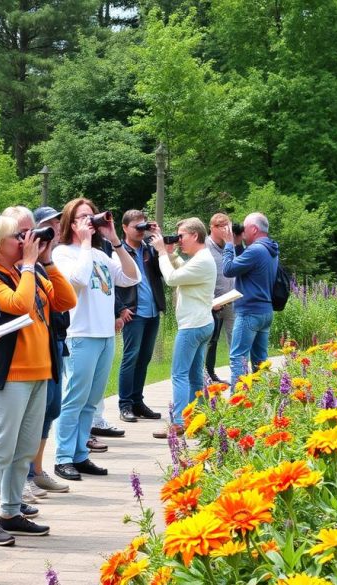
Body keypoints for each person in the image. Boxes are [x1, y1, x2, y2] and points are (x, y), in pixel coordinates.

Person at [0, 213, 77, 545]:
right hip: (12, 374)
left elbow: (66, 301)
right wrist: (31, 266)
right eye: (16, 237)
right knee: (2, 446)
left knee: (27, 447)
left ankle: (12, 512)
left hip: (41, 369)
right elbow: (18, 305)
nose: (23, 242)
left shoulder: (27, 270)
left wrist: (45, 260)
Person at [51, 198, 140, 481]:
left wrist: (114, 240)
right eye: (83, 218)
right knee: (73, 399)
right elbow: (76, 280)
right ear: (70, 223)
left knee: (91, 401)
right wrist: (86, 243)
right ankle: (63, 457)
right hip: (81, 334)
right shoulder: (63, 253)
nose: (90, 221)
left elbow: (131, 277)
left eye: (93, 216)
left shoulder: (103, 255)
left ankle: (80, 454)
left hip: (105, 335)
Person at [146, 218, 216, 438]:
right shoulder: (201, 258)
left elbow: (173, 279)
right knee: (195, 375)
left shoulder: (203, 260)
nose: (179, 241)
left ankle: (177, 422)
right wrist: (171, 253)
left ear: (195, 236)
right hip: (202, 323)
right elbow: (184, 271)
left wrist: (161, 253)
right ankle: (201, 416)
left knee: (179, 375)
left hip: (192, 327)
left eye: (182, 236)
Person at [24, 206, 72, 496]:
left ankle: (37, 470)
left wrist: (48, 259)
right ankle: (24, 475)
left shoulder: (45, 263)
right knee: (32, 414)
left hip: (55, 339)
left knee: (51, 408)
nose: (51, 233)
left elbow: (66, 301)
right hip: (36, 346)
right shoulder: (24, 266)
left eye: (55, 226)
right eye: (46, 227)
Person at [113, 210, 166, 424]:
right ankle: (125, 404)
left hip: (152, 310)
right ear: (124, 228)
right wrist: (120, 308)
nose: (140, 231)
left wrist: (159, 242)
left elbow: (163, 272)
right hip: (133, 312)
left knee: (144, 358)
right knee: (130, 357)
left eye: (143, 226)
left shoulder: (149, 250)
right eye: (137, 227)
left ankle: (137, 401)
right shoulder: (118, 251)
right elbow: (112, 283)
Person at [214, 212, 279, 385]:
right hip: (265, 311)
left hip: (249, 312)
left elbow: (228, 269)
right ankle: (261, 400)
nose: (242, 231)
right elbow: (246, 266)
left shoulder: (256, 250)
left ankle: (239, 403)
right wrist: (237, 245)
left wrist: (228, 244)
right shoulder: (271, 248)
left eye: (245, 228)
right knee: (260, 362)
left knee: (238, 359)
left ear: (254, 229)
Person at [203, 213, 241, 384]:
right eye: (221, 225)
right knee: (211, 340)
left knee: (235, 338)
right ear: (212, 227)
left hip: (231, 300)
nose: (226, 229)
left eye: (228, 224)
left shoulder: (231, 245)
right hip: (212, 302)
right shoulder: (204, 246)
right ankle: (208, 374)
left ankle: (239, 376)